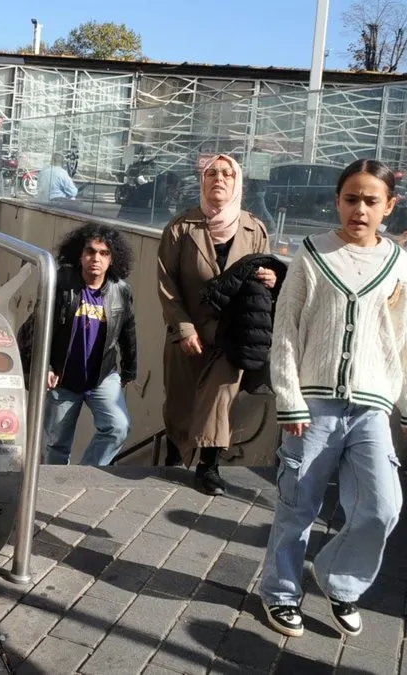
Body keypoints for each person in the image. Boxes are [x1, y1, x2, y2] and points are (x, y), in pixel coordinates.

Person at [258, 159, 407, 640]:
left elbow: (404, 338)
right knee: (297, 506)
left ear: (388, 207)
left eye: (371, 200)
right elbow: (286, 331)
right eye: (351, 198)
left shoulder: (395, 261)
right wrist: (290, 398)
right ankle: (281, 593)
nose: (360, 209)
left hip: (372, 407)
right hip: (312, 407)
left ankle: (340, 580)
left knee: (383, 506)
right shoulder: (312, 253)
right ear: (338, 200)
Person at [156, 153, 277, 495]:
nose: (219, 179)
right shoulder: (181, 228)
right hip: (189, 333)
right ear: (203, 182)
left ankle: (209, 467)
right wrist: (184, 328)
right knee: (180, 402)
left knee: (221, 397)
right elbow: (167, 285)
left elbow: (264, 274)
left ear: (237, 183)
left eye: (227, 173)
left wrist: (271, 277)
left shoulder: (255, 228)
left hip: (232, 336)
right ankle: (176, 451)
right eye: (212, 174)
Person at [17, 224, 138, 466]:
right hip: (63, 378)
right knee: (56, 444)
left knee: (118, 427)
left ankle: (86, 474)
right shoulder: (61, 283)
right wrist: (45, 366)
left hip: (102, 376)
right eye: (90, 252)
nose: (96, 259)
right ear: (79, 255)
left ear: (113, 259)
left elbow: (128, 331)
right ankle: (52, 490)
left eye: (104, 253)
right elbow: (35, 328)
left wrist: (129, 369)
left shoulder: (120, 291)